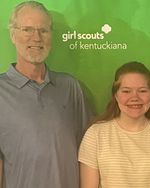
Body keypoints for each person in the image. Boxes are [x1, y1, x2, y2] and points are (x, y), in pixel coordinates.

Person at [0, 1, 93, 188]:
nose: (36, 38)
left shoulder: (70, 87)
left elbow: (90, 153)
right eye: (27, 29)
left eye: (43, 30)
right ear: (13, 35)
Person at [79, 61, 150, 188]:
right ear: (116, 95)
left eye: (142, 91)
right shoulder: (95, 135)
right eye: (126, 91)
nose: (134, 97)